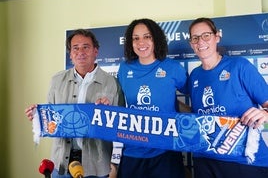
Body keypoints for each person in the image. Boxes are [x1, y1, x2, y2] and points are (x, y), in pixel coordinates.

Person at [25, 29, 124, 178]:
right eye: (75, 48)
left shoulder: (112, 83)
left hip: (96, 165)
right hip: (61, 164)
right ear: (70, 54)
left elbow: (121, 124)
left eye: (86, 47)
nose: (80, 52)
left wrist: (108, 114)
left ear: (95, 51)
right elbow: (51, 120)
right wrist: (38, 117)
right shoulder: (56, 80)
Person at [187, 17, 268, 178]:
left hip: (243, 161)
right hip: (205, 159)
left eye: (206, 35)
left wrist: (265, 113)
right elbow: (197, 115)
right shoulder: (194, 76)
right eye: (195, 38)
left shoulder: (240, 66)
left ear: (217, 37)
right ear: (191, 44)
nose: (200, 42)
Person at [116, 18, 188, 178]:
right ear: (130, 42)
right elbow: (118, 104)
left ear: (156, 39)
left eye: (147, 36)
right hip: (133, 151)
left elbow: (195, 95)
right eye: (136, 38)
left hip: (166, 150)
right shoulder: (124, 68)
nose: (141, 42)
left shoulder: (173, 68)